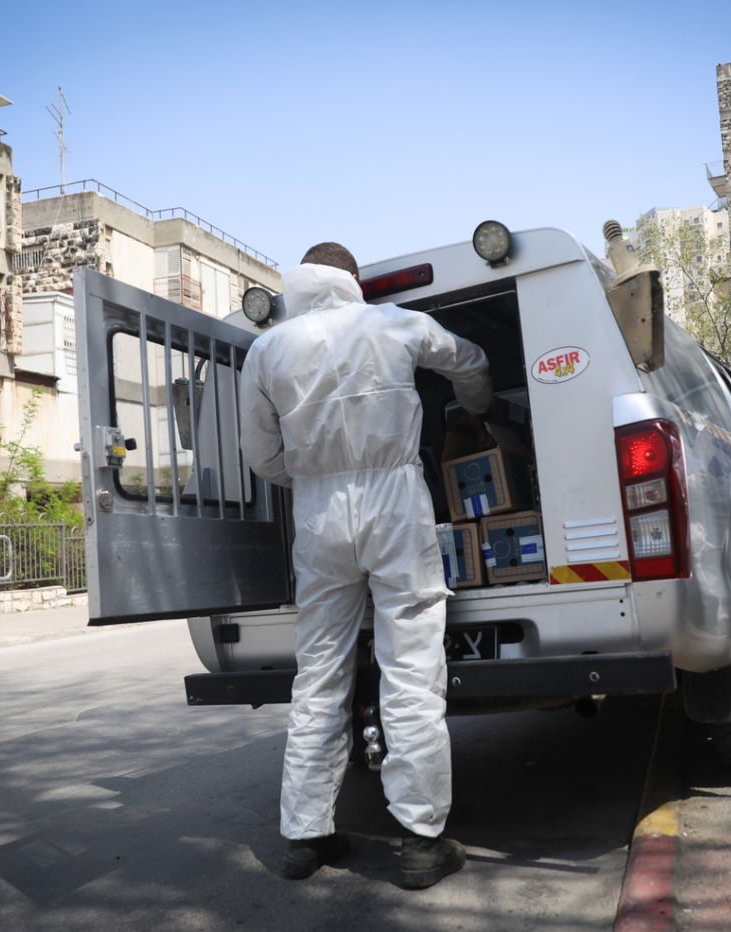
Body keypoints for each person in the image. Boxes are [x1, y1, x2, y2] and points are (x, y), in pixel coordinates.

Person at [238, 242, 493, 887]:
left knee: (319, 673)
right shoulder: (393, 323)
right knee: (409, 669)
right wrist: (478, 410)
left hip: (319, 513)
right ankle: (419, 840)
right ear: (352, 280)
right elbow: (471, 359)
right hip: (394, 501)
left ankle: (305, 836)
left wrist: (311, 478)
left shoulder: (266, 350)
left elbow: (261, 456)